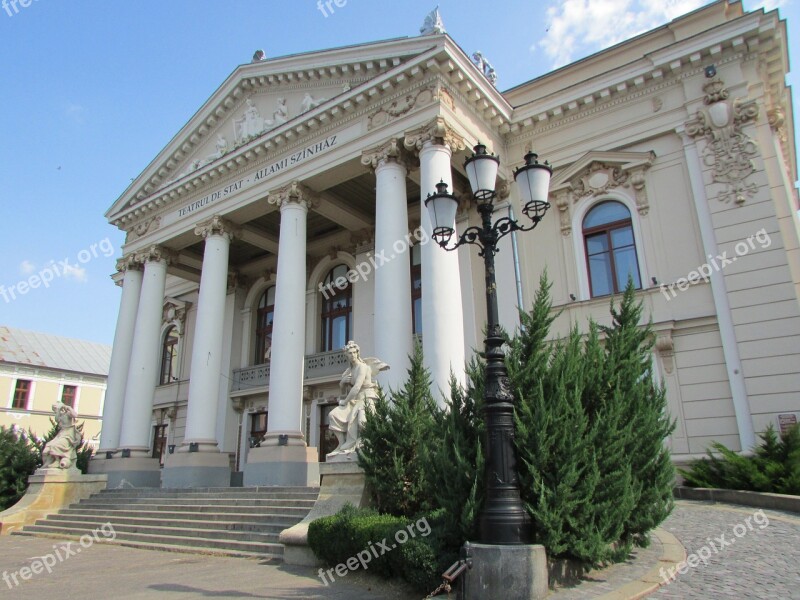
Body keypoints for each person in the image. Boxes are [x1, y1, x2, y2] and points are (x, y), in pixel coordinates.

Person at [327, 341, 385, 456]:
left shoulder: (362, 367)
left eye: (354, 352)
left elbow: (357, 387)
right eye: (350, 353)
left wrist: (345, 401)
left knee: (362, 422)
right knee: (333, 415)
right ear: (346, 355)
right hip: (355, 401)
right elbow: (343, 387)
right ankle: (342, 445)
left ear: (357, 353)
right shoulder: (350, 370)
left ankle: (366, 446)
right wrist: (342, 382)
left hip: (367, 398)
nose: (352, 355)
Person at [41, 403, 81, 469]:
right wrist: (58, 410)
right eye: (55, 410)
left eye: (56, 409)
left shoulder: (68, 413)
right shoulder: (60, 416)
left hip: (68, 435)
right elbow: (57, 419)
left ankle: (57, 461)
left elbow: (75, 415)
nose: (55, 411)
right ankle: (49, 463)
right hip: (61, 434)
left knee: (55, 446)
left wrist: (68, 407)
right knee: (47, 447)